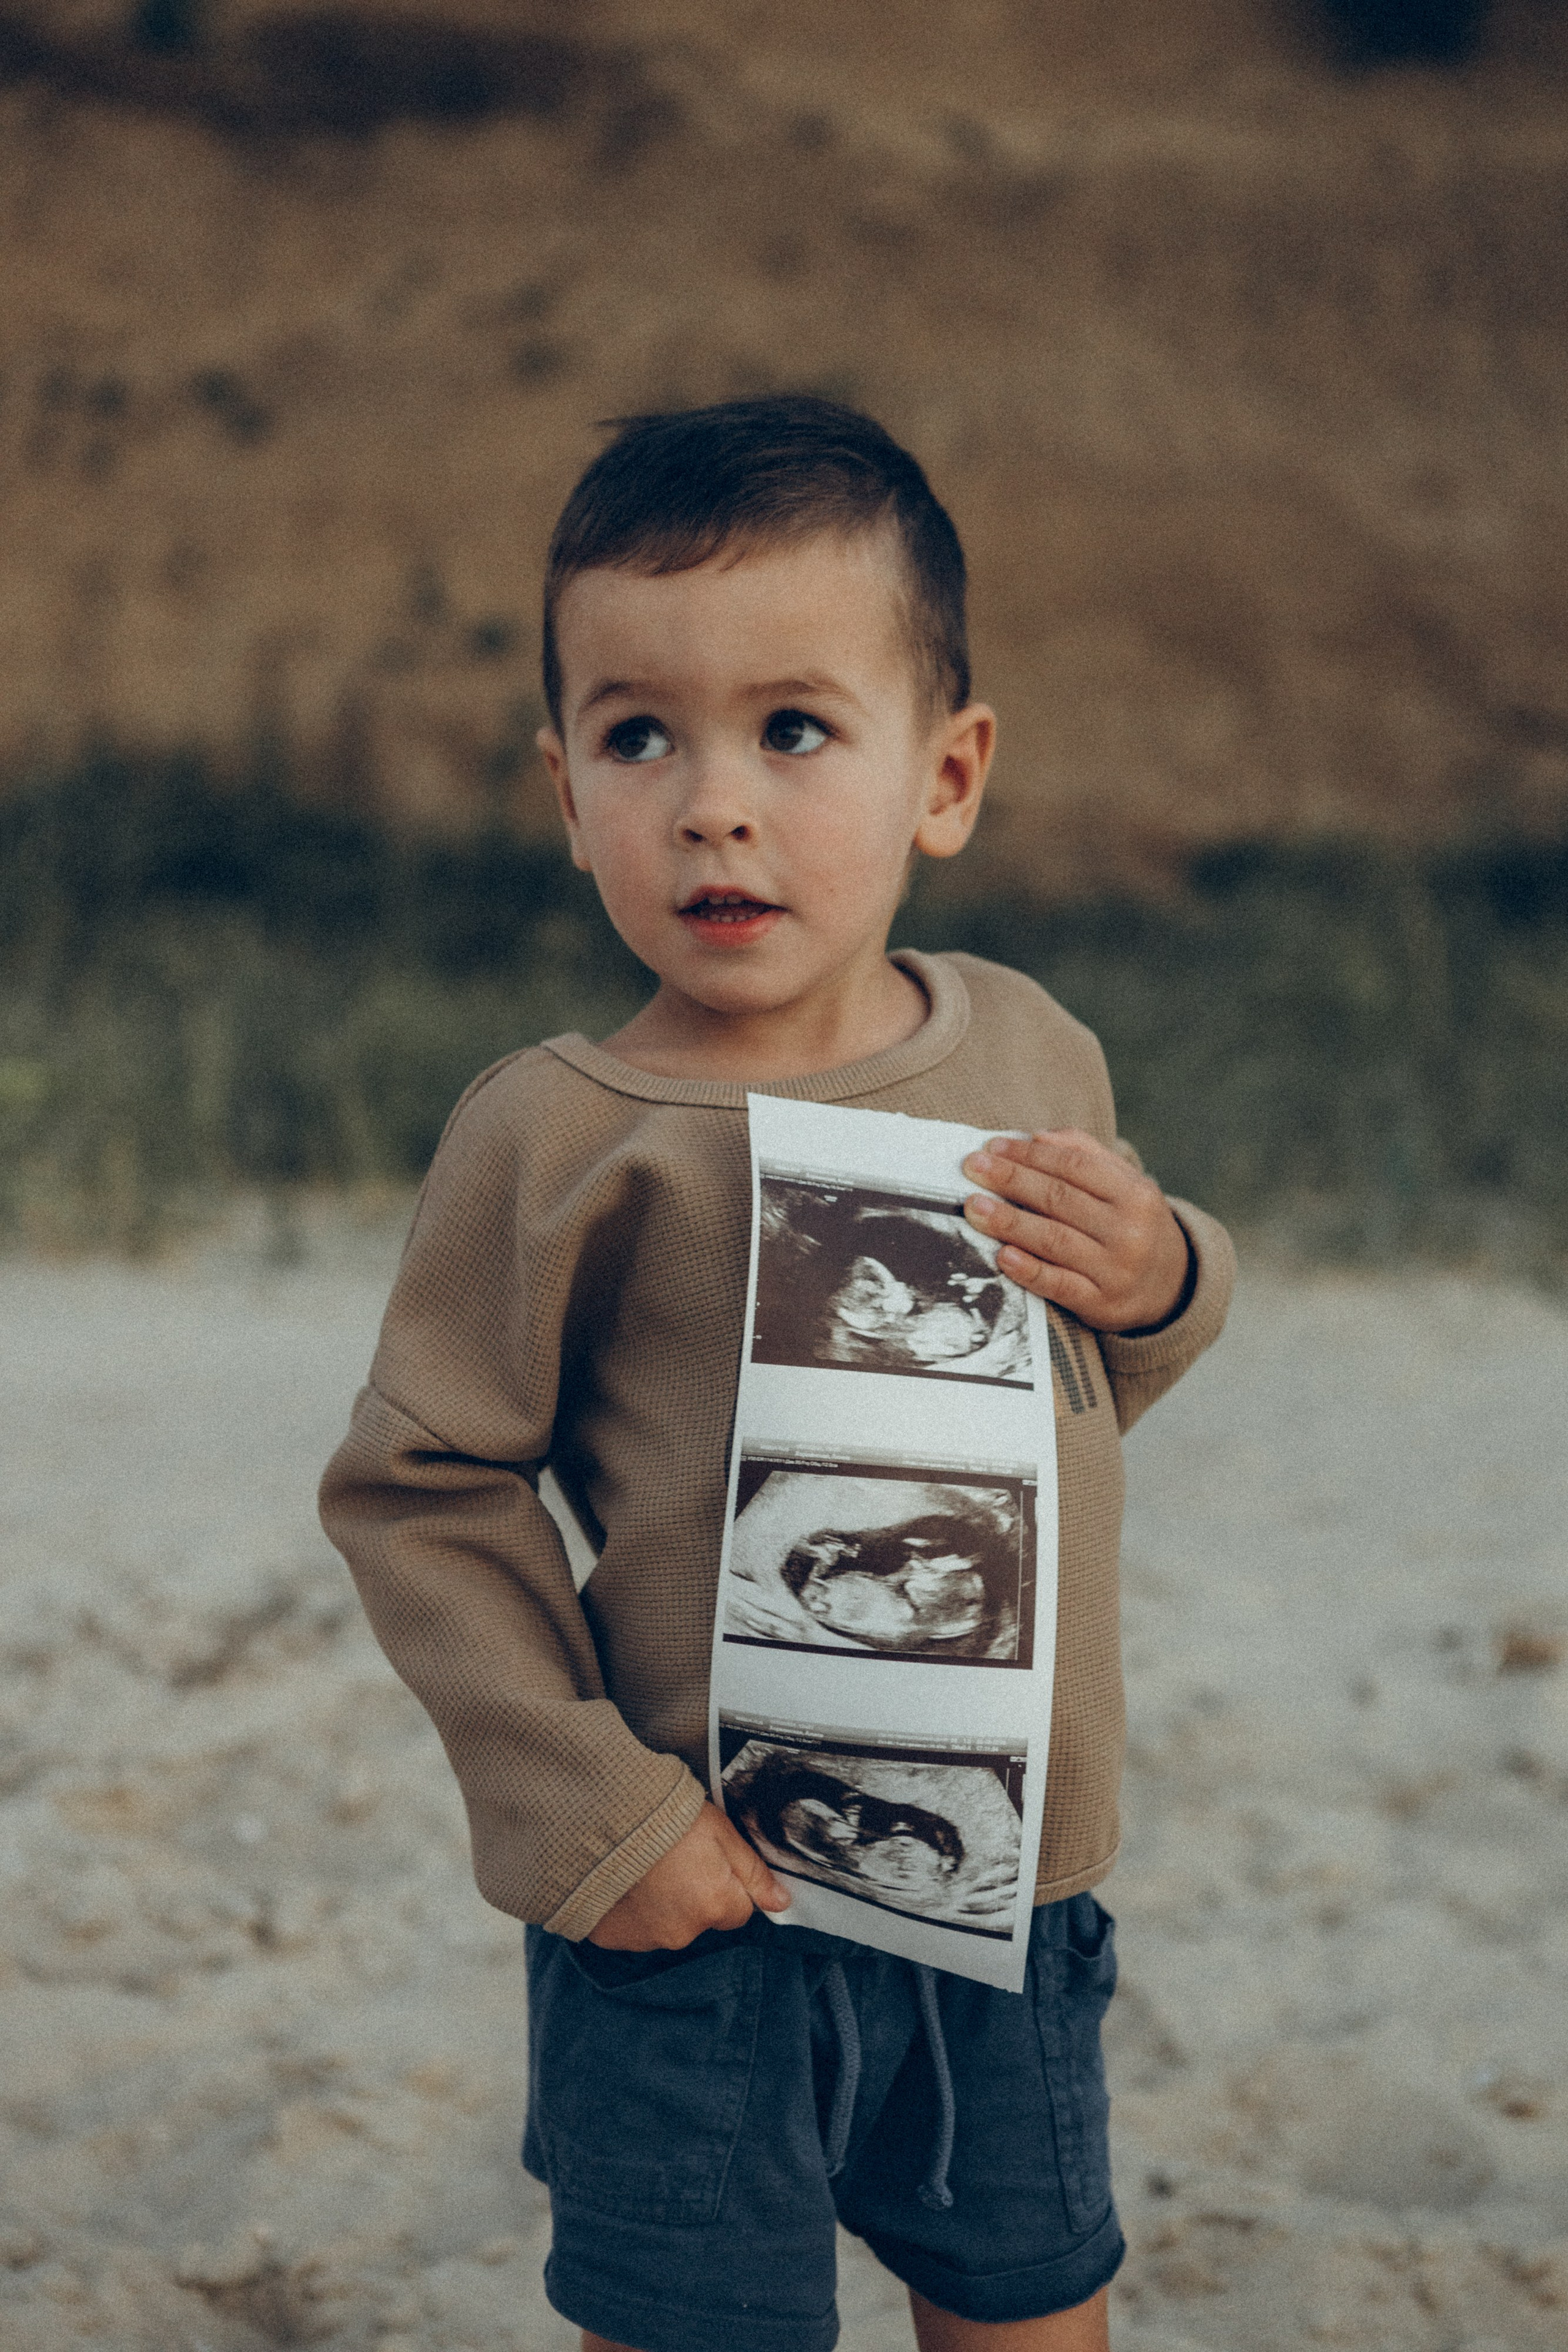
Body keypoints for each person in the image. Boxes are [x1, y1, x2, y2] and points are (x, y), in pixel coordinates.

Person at [320, 395, 1234, 2352]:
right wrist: (593, 1819)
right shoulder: (560, 1138)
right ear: (567, 793)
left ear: (949, 774)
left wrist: (1159, 1276)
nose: (712, 801)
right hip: (701, 1903)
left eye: (794, 729)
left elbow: (1067, 1390)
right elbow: (426, 1490)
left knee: (1028, 2304)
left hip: (1011, 1885)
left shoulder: (1030, 1049)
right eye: (641, 735)